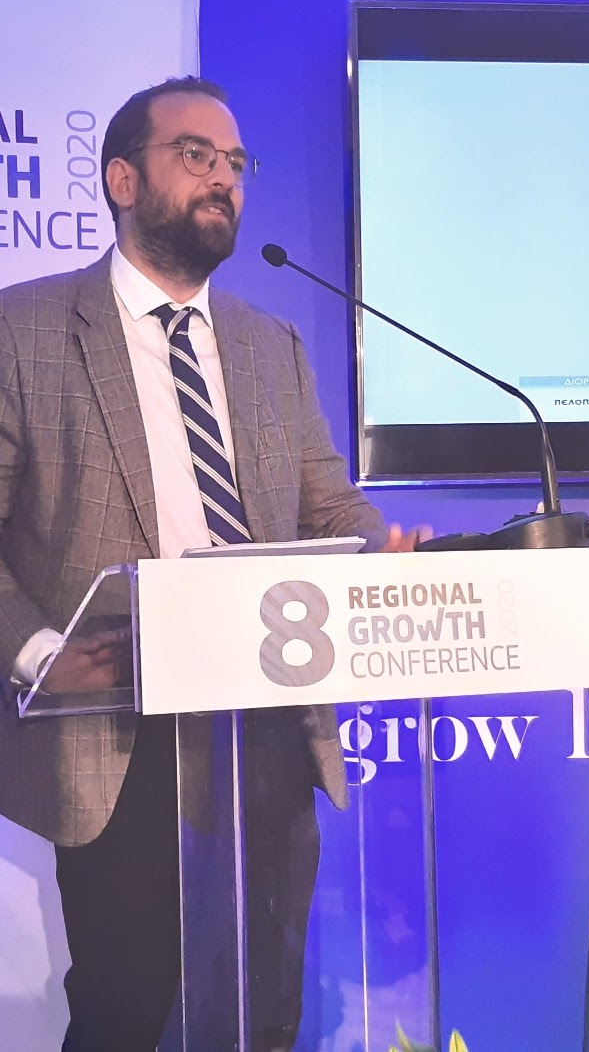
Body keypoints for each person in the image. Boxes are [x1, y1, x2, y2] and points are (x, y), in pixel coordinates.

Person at [0, 76, 421, 1052]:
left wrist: (382, 555)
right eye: (195, 155)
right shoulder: (23, 334)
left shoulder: (271, 346)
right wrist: (40, 654)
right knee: (126, 1012)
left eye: (235, 162)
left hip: (265, 714)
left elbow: (327, 503)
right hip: (119, 722)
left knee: (264, 1013)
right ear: (122, 180)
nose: (223, 178)